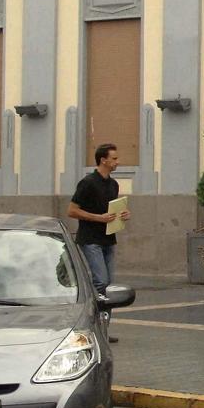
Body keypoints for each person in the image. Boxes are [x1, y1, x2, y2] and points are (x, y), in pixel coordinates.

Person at [67, 143, 130, 343]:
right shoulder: (87, 183)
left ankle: (102, 329)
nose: (117, 162)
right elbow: (72, 210)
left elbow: (112, 210)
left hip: (109, 239)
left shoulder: (113, 184)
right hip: (90, 240)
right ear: (103, 160)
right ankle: (91, 326)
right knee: (100, 282)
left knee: (109, 287)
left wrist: (123, 215)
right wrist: (98, 218)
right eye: (114, 158)